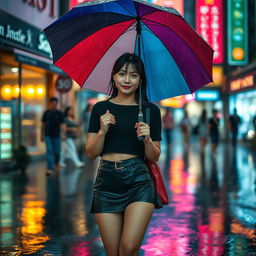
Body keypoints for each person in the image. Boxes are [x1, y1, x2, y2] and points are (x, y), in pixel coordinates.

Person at [86, 53, 162, 256]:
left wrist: (147, 139)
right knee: (113, 252)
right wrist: (102, 130)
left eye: (134, 75)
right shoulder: (101, 109)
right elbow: (92, 153)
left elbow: (154, 157)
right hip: (106, 183)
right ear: (113, 75)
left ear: (141, 79)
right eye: (122, 74)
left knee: (128, 248)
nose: (127, 80)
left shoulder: (150, 111)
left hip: (139, 181)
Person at [41, 97, 66, 175]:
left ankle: (56, 164)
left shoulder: (59, 113)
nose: (54, 105)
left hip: (56, 135)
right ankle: (50, 168)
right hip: (47, 135)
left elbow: (63, 124)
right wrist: (41, 135)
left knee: (57, 152)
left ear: (57, 104)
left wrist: (63, 134)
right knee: (49, 151)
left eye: (55, 103)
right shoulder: (46, 113)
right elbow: (43, 124)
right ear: (50, 103)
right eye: (52, 103)